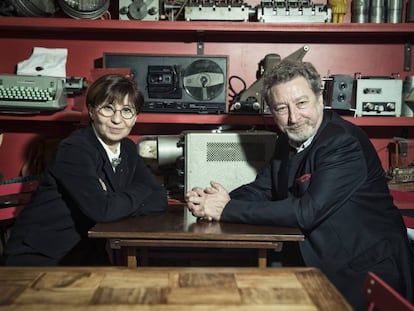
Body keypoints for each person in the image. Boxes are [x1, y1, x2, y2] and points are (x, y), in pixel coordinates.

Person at [185, 60, 414, 310]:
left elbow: (307, 212)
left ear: (320, 98)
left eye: (301, 103)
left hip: (363, 271)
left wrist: (225, 209)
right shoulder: (288, 140)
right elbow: (263, 188)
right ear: (272, 112)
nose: (294, 117)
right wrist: (214, 199)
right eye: (282, 108)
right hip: (316, 258)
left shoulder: (341, 142)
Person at [3, 74, 168, 266]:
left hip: (86, 252)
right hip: (41, 255)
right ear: (91, 111)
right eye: (108, 108)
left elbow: (159, 198)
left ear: (135, 117)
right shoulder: (74, 149)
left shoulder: (128, 148)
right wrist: (140, 191)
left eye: (126, 110)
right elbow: (102, 211)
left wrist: (117, 199)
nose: (117, 119)